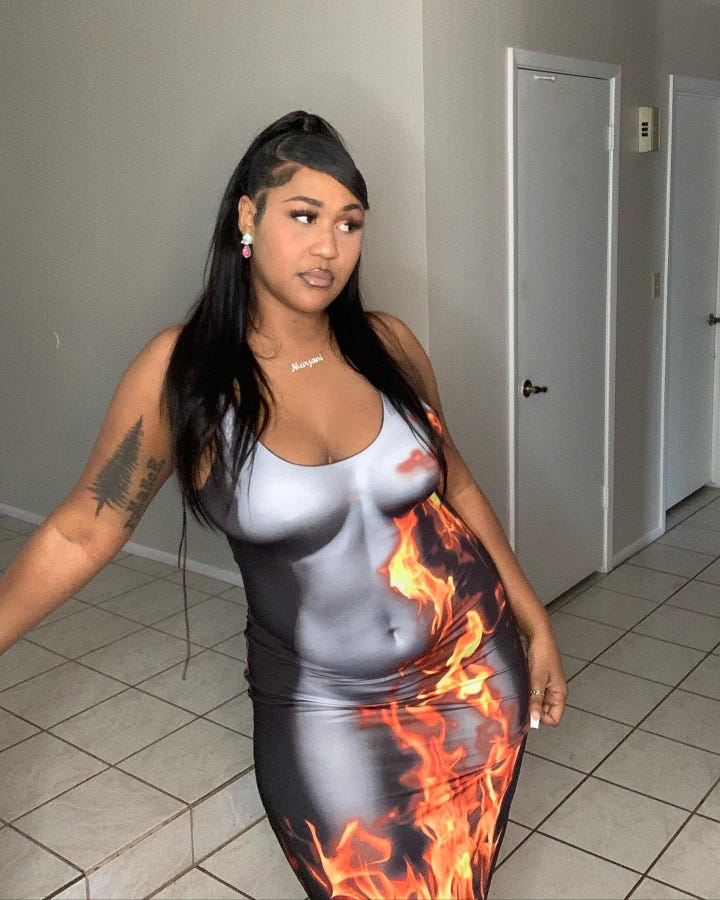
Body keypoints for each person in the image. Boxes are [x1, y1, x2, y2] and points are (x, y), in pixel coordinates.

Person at [0, 111, 567, 900]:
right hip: (326, 714)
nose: (328, 247)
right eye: (304, 216)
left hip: (473, 674)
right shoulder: (184, 374)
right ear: (248, 215)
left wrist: (534, 619)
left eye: (349, 223)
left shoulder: (390, 347)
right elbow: (79, 531)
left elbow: (458, 486)